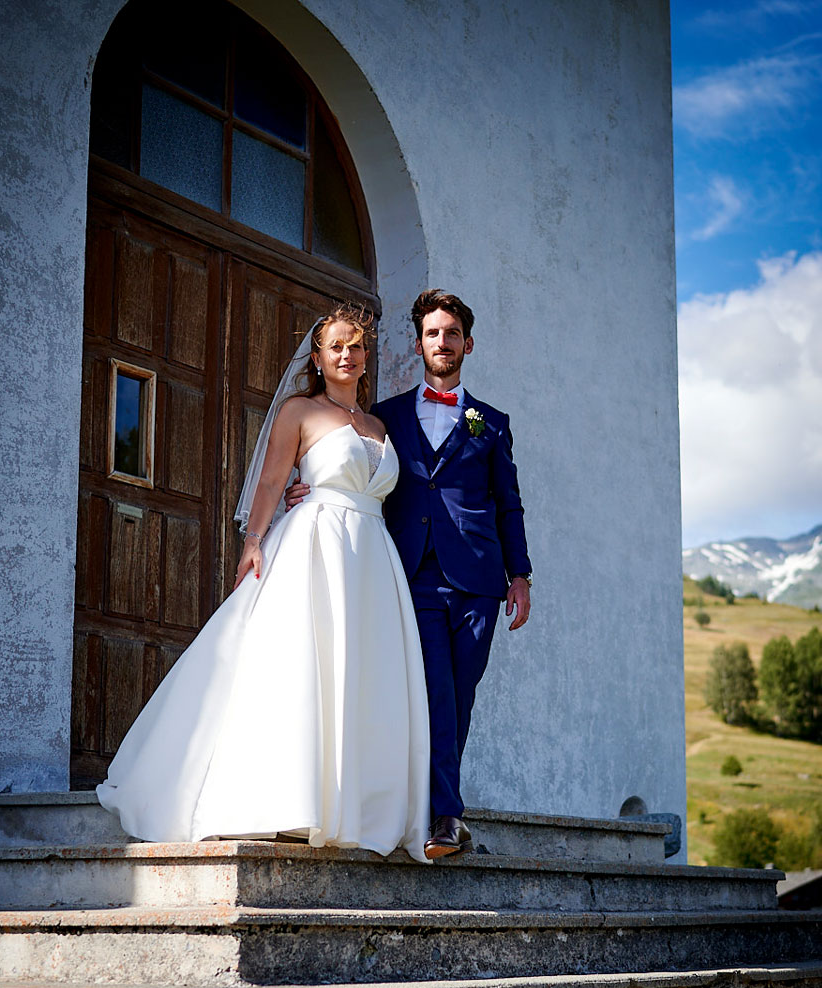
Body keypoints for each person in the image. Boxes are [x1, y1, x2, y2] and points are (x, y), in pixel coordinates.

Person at [95, 304, 434, 860]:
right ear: (319, 358)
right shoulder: (299, 411)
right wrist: (253, 542)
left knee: (362, 673)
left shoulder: (379, 426)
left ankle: (356, 807)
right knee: (302, 666)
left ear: (365, 358)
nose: (346, 354)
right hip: (315, 547)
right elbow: (275, 480)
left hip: (373, 558)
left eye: (356, 346)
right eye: (336, 347)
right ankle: (286, 799)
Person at [295, 290, 532, 858]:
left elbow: (509, 504)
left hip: (478, 578)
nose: (442, 342)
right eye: (432, 333)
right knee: (434, 693)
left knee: (461, 696)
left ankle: (438, 807)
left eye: (451, 333)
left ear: (466, 344)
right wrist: (308, 490)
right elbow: (351, 462)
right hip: (414, 575)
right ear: (419, 342)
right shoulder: (390, 417)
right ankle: (445, 818)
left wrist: (519, 576)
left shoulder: (491, 424)